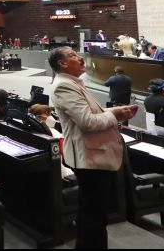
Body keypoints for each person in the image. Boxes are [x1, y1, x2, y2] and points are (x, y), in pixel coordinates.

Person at [49, 47, 134, 249]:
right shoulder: (64, 86)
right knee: (95, 217)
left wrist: (114, 110)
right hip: (90, 157)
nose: (79, 58)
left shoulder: (73, 82)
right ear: (62, 63)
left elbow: (92, 111)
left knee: (91, 213)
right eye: (73, 56)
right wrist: (116, 116)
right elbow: (87, 122)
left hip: (91, 155)